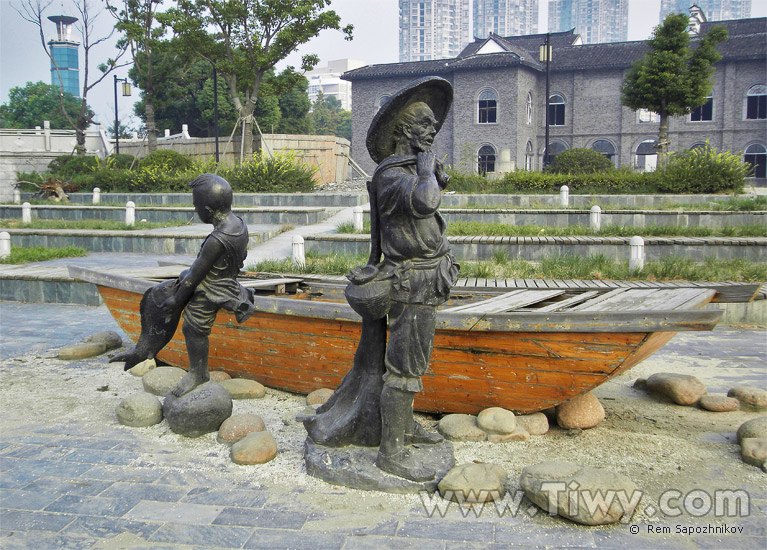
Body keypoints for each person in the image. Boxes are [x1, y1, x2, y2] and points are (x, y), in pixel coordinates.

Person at [368, 81, 459, 481]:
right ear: (404, 131)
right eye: (424, 123)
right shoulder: (392, 176)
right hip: (411, 282)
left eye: (433, 123)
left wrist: (431, 174)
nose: (432, 129)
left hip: (427, 278)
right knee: (404, 365)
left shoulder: (409, 171)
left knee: (414, 362)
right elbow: (424, 202)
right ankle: (391, 451)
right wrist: (427, 175)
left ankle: (405, 428)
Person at [160, 174, 255, 397]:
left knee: (193, 327)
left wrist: (177, 300)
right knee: (184, 276)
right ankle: (198, 372)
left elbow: (196, 274)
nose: (195, 210)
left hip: (213, 288)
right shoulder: (239, 224)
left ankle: (198, 372)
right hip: (227, 278)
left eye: (196, 206)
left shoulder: (216, 240)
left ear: (208, 209)